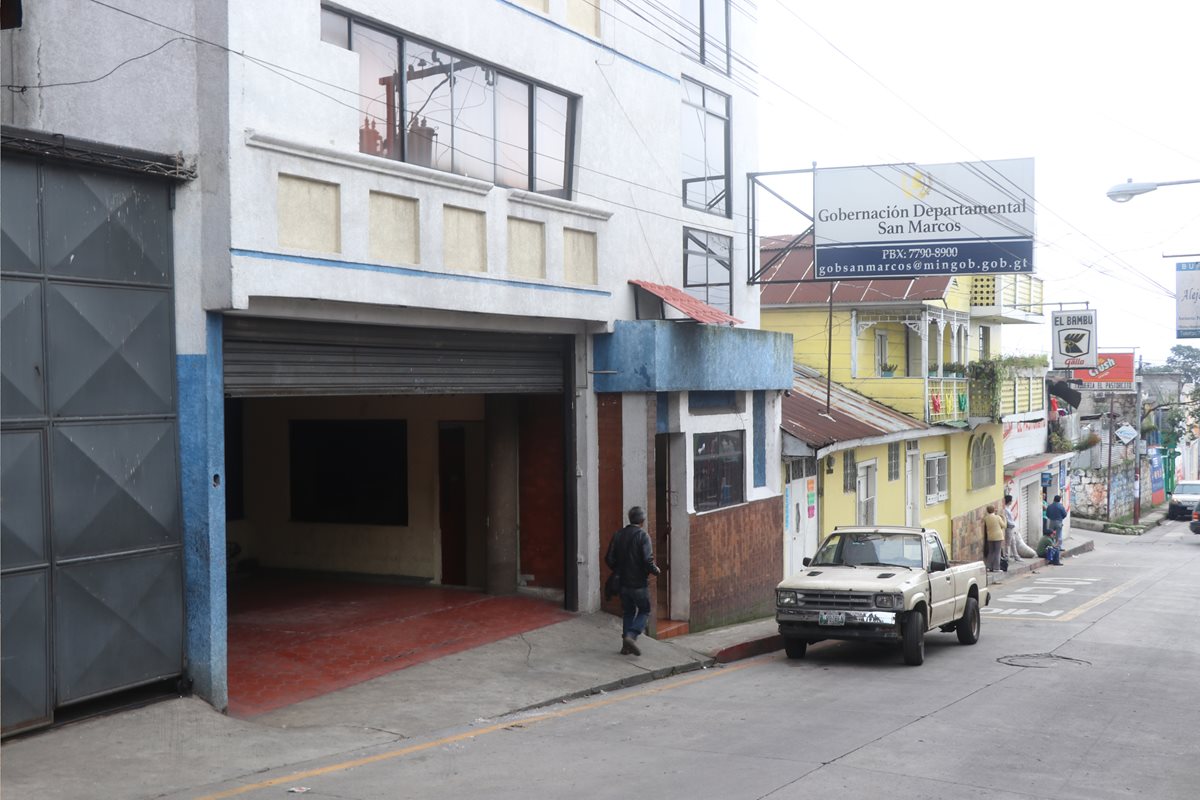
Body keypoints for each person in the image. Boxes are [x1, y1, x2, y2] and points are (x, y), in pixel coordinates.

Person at [604, 506, 660, 656]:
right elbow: (647, 560)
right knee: (644, 610)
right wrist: (656, 570)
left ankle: (625, 646)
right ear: (642, 520)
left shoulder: (618, 535)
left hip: (622, 583)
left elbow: (609, 559)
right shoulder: (643, 536)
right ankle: (632, 636)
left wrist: (619, 569)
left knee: (628, 611)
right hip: (638, 583)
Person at [983, 504, 1005, 572]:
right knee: (997, 552)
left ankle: (988, 567)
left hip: (990, 537)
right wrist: (1004, 518)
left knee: (991, 552)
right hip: (998, 537)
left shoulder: (986, 518)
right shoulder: (998, 517)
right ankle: (996, 568)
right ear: (994, 510)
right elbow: (1003, 525)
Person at [1003, 494, 1023, 562]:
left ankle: (1016, 556)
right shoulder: (1005, 509)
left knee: (1013, 542)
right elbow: (1007, 519)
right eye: (1011, 500)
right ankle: (1006, 556)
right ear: (1009, 501)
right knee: (1008, 543)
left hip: (1011, 527)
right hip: (1009, 527)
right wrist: (1012, 524)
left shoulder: (1008, 508)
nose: (1012, 502)